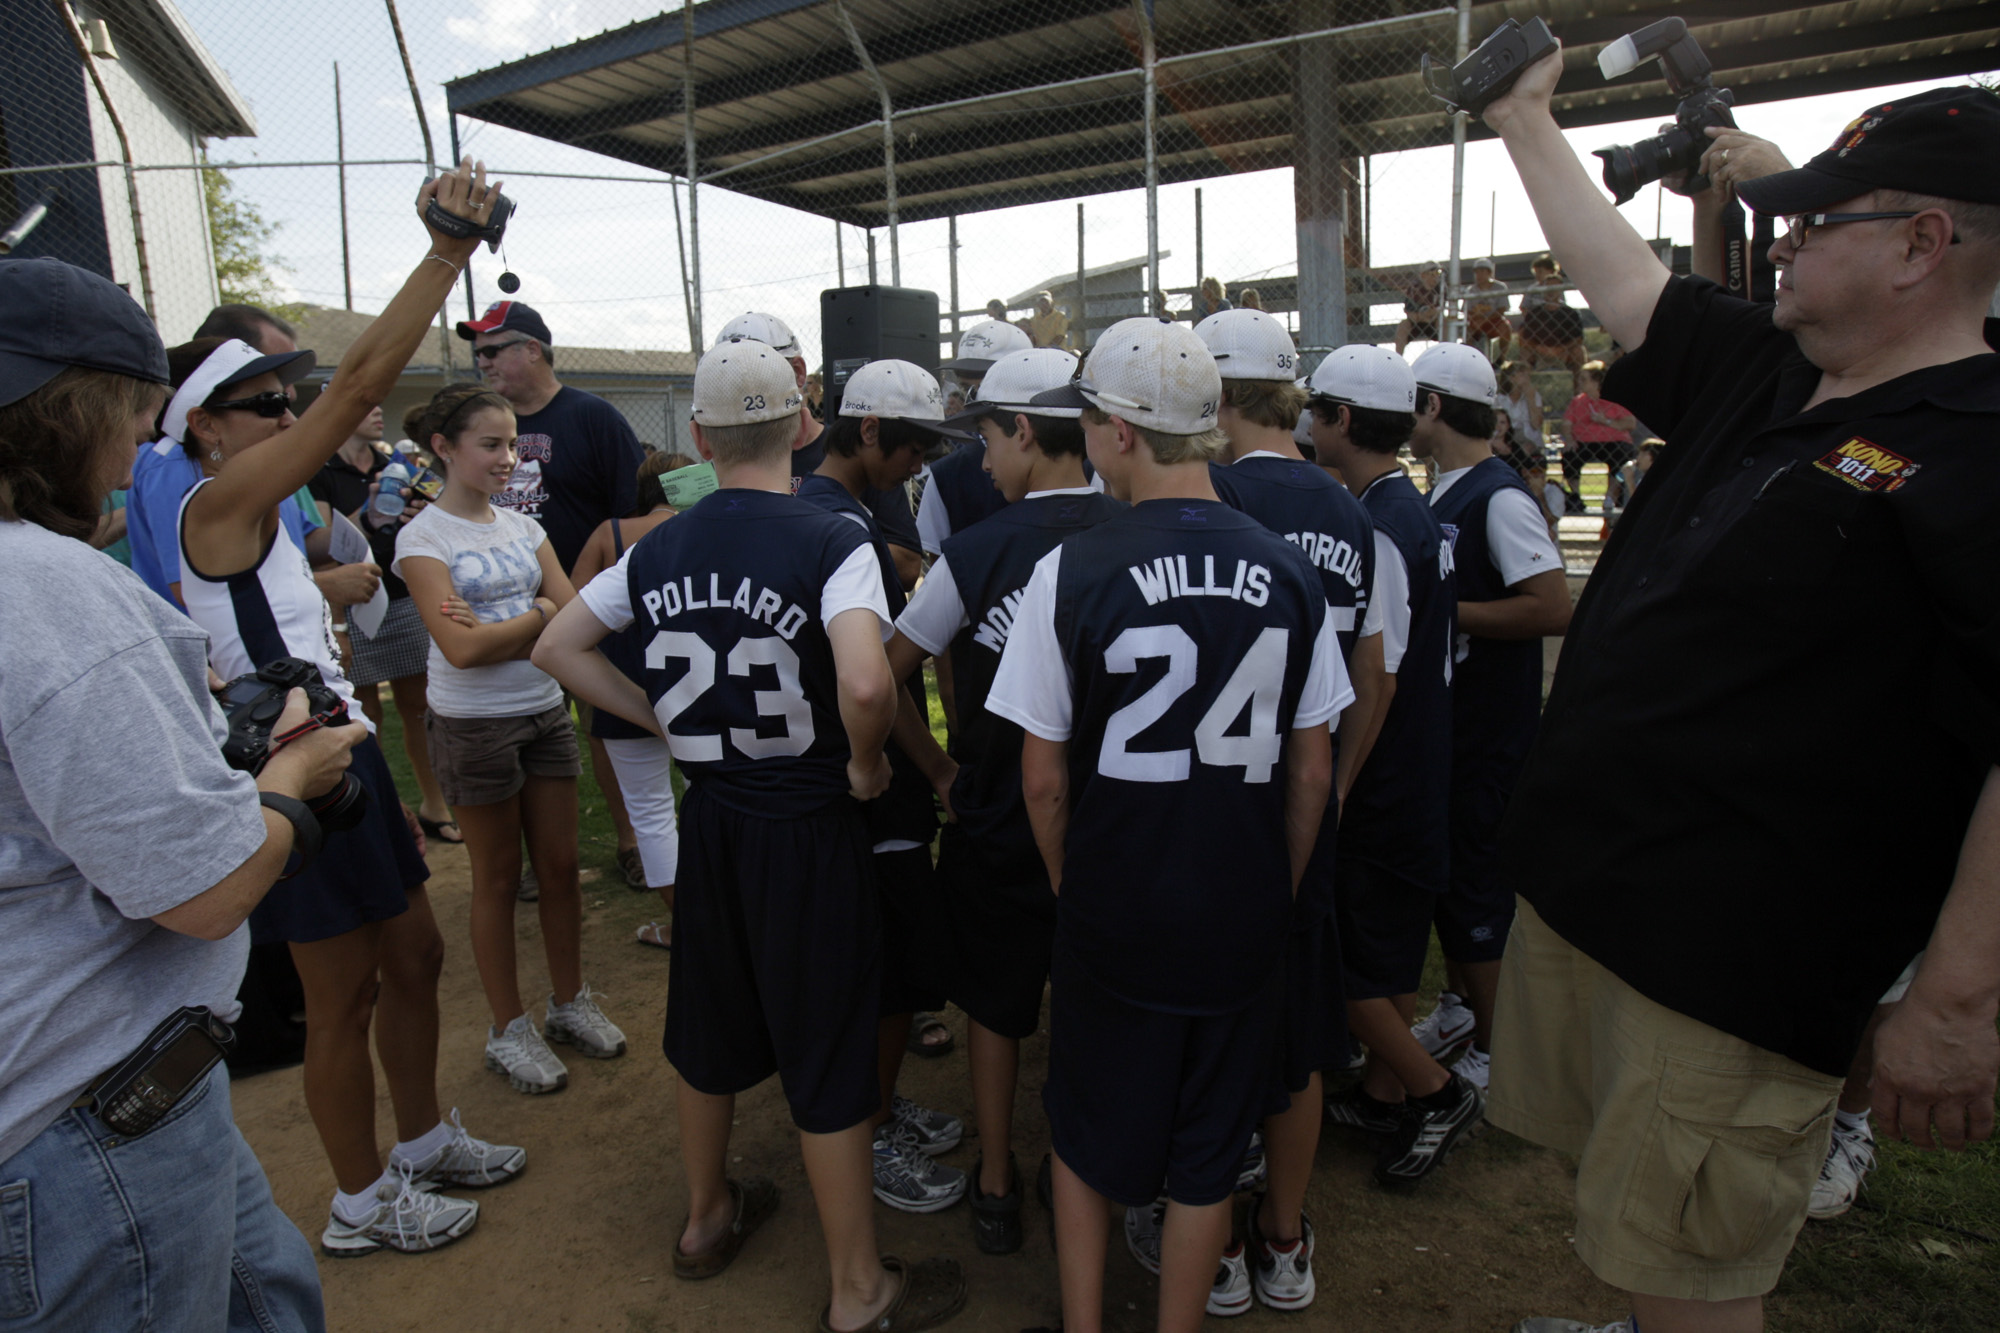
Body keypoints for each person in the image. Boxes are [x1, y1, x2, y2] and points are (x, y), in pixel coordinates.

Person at [1483, 56, 2000, 1333]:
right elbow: (1625, 285)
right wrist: (1520, 121)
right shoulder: (1777, 366)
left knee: (1691, 1261)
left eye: (1820, 220)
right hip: (1604, 897)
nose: (1783, 238)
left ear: (1922, 245)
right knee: (1629, 1201)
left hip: (1735, 956)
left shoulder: (1978, 447)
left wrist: (1950, 997)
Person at [532, 336, 967, 1333]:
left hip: (715, 818)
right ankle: (857, 1289)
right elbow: (866, 680)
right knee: (825, 1045)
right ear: (802, 424)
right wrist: (865, 764)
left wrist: (663, 719)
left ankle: (705, 1217)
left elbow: (559, 643)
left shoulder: (663, 541)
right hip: (808, 826)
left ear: (697, 435)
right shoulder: (829, 537)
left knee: (711, 1028)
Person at [0, 257, 365, 1331]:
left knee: (269, 1294)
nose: (132, 453)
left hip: (93, 1099)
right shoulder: (45, 590)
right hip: (87, 1120)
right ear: (73, 412)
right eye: (132, 418)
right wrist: (290, 782)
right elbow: (198, 891)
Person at [173, 160, 524, 1257]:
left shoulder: (261, 514)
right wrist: (444, 254)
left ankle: (416, 1145)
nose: (292, 410)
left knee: (412, 956)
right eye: (265, 402)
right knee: (342, 997)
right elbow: (357, 392)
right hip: (295, 766)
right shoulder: (219, 500)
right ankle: (359, 1202)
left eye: (290, 396)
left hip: (342, 750)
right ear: (207, 431)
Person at [987, 316, 1346, 1333]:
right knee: (1205, 1151)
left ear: (1120, 435)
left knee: (1086, 1130)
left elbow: (1042, 775)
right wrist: (1271, 880)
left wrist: (1069, 881)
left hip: (1115, 897)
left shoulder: (1072, 567)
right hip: (1237, 902)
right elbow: (1310, 765)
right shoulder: (1286, 568)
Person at [879, 348, 1121, 1257]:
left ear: (1026, 430)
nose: (980, 462)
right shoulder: (1132, 525)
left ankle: (993, 1175)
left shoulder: (977, 549)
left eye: (987, 436)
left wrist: (939, 769)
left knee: (994, 1002)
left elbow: (883, 679)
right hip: (1109, 817)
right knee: (1097, 1001)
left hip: (996, 814)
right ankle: (1085, 1168)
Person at [1194, 307, 1383, 1311]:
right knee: (1299, 1039)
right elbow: (1372, 669)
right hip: (1306, 800)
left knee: (1217, 1033)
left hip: (1208, 810)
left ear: (1215, 397)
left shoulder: (1207, 493)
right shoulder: (1350, 506)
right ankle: (1282, 1237)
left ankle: (1215, 1243)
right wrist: (1339, 785)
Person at [393, 382, 628, 1095]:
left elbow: (571, 612)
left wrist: (518, 623)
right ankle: (508, 1027)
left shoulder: (524, 529)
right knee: (496, 880)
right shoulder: (422, 537)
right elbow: (461, 651)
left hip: (542, 710)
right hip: (471, 724)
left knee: (558, 870)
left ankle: (567, 1003)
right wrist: (533, 616)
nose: (507, 460)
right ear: (444, 447)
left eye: (514, 446)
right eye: (490, 445)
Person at [796, 360, 971, 1213]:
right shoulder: (845, 528)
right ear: (866, 431)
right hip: (862, 776)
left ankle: (875, 1100)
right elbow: (876, 681)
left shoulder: (824, 507)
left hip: (829, 772)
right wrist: (934, 766)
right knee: (893, 960)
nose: (918, 464)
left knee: (877, 956)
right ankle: (863, 1132)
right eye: (910, 447)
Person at [1308, 345, 1483, 1185]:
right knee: (1386, 948)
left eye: (1315, 411)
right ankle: (1385, 1092)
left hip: (1386, 772)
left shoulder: (1375, 521)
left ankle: (1433, 1087)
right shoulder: (1405, 506)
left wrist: (1337, 783)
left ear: (1342, 420)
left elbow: (1376, 678)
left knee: (1331, 956)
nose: (1306, 425)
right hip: (1421, 762)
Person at [1404, 344, 1570, 1093]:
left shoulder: (1497, 495)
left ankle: (1500, 1050)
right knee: (1451, 880)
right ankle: (1463, 1007)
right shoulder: (1448, 490)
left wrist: (1441, 612)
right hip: (1456, 726)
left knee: (1476, 884)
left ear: (1434, 407)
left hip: (1489, 733)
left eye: (1412, 401)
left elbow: (1550, 605)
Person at [459, 298, 648, 883]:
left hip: (584, 609)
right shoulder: (481, 428)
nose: (483, 363)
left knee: (604, 726)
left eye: (492, 350)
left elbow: (632, 512)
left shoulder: (592, 417)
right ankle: (527, 864)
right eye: (478, 353)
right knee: (513, 734)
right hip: (501, 615)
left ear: (531, 350)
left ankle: (632, 844)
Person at [310, 404, 459, 845]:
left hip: (401, 597)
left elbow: (442, 504)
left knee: (419, 709)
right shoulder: (319, 471)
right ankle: (380, 812)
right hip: (346, 605)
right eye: (366, 404)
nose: (378, 411)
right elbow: (320, 547)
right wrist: (368, 513)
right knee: (362, 713)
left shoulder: (397, 465)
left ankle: (435, 806)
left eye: (381, 404)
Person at [568, 450, 692, 946]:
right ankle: (718, 922)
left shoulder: (610, 533)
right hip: (693, 688)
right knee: (710, 801)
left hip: (621, 694)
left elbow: (572, 607)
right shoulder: (699, 530)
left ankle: (686, 929)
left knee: (651, 816)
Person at [1559, 361, 1638, 516]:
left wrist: (1605, 421)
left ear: (1596, 382)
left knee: (1621, 454)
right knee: (1570, 456)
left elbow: (1630, 423)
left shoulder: (1614, 398)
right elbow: (1566, 424)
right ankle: (1576, 496)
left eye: (1584, 379)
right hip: (1584, 441)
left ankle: (1609, 496)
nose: (1580, 382)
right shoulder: (1578, 402)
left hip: (1613, 441)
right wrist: (1569, 438)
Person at [1516, 254, 1587, 393]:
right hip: (1539, 352)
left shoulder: (1570, 313)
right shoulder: (1534, 313)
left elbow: (1578, 339)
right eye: (1548, 287)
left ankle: (1579, 395)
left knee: (1579, 352)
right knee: (1524, 354)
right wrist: (1540, 348)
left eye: (1555, 287)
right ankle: (1524, 395)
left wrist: (1561, 349)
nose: (1551, 291)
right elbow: (1524, 337)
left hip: (1563, 353)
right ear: (1542, 288)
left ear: (1561, 289)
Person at [1463, 259, 1514, 362]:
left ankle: (1501, 358)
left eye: (1482, 271)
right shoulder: (1471, 290)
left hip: (1494, 321)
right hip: (1476, 321)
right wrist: (1475, 317)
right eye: (1477, 272)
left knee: (1506, 328)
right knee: (1467, 332)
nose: (1479, 275)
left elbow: (1502, 309)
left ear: (1489, 273)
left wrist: (1486, 319)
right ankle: (1468, 359)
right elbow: (1466, 310)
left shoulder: (1499, 287)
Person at [1496, 360, 1545, 453]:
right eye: (1523, 375)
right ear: (1511, 378)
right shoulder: (1498, 400)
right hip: (1506, 439)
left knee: (1527, 448)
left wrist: (1530, 399)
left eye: (1528, 376)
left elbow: (1536, 425)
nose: (1527, 379)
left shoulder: (1534, 396)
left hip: (1529, 441)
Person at [1395, 262, 1444, 354]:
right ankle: (1398, 357)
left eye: (1437, 274)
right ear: (1423, 275)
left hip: (1433, 321)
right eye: (1432, 274)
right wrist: (1421, 316)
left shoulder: (1440, 288)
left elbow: (1439, 309)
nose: (1435, 277)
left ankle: (1446, 352)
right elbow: (1409, 311)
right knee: (1403, 325)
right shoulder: (1413, 289)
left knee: (1444, 323)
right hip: (1416, 322)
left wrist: (1427, 315)